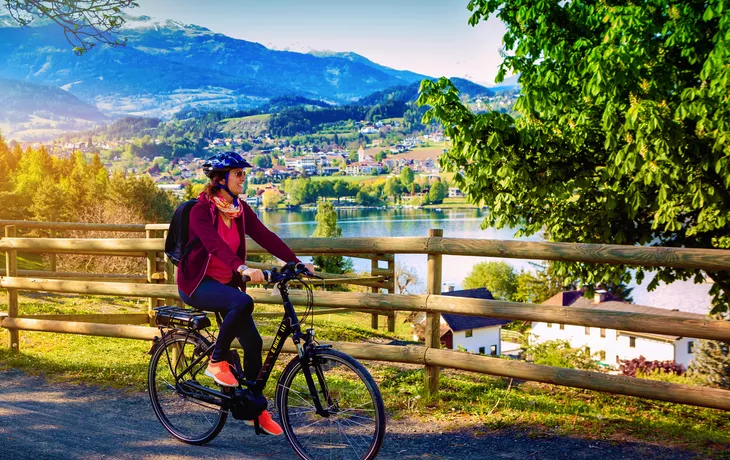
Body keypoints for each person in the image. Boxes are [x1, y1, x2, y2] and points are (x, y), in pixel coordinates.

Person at [176, 151, 313, 436]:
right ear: (220, 179)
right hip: (198, 284)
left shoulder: (238, 209)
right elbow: (214, 246)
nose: (243, 178)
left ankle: (254, 409)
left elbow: (265, 236)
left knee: (253, 344)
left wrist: (295, 262)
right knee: (243, 301)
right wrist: (241, 267)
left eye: (243, 173)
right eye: (238, 173)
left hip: (224, 284)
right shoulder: (201, 211)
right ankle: (216, 362)